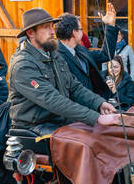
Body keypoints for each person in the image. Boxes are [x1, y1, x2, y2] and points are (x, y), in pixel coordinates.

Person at [8, 7, 118, 136]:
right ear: (31, 33)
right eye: (46, 27)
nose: (52, 31)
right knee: (85, 140)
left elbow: (74, 86)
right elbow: (52, 99)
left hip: (58, 120)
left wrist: (99, 103)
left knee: (104, 134)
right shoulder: (23, 65)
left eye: (52, 26)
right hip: (34, 127)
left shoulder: (52, 53)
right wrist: (96, 118)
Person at [55, 5, 118, 99]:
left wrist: (110, 26)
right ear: (74, 33)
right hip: (78, 110)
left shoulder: (79, 49)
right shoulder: (56, 56)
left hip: (94, 103)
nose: (83, 32)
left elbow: (106, 55)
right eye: (81, 29)